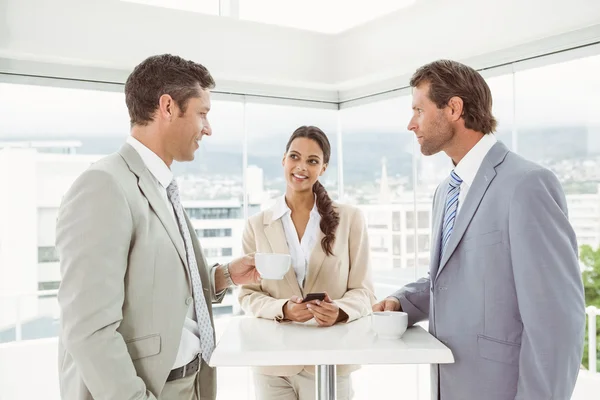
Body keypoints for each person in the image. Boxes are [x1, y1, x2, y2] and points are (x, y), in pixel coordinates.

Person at [373, 60, 585, 400]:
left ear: (454, 108)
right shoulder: (446, 191)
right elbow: (452, 279)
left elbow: (557, 322)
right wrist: (402, 302)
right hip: (451, 384)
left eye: (418, 110)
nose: (411, 124)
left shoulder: (527, 185)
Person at [56, 54, 260, 400]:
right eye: (202, 113)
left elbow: (158, 288)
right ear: (167, 107)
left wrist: (225, 276)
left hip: (191, 382)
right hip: (149, 389)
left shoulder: (160, 185)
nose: (208, 128)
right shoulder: (104, 185)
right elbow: (88, 330)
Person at [239, 126, 375, 400]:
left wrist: (340, 311)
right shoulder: (256, 225)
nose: (301, 167)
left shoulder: (350, 219)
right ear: (283, 160)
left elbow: (364, 291)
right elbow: (248, 295)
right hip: (272, 364)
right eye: (294, 157)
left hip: (330, 361)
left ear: (323, 168)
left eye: (312, 161)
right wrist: (283, 309)